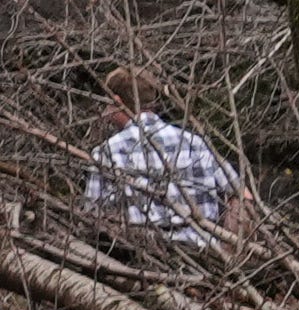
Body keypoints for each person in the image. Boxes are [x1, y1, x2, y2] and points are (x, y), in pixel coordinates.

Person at [83, 70, 246, 245]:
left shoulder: (106, 152)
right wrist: (229, 243)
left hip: (141, 256)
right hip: (207, 254)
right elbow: (242, 195)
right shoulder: (195, 143)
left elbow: (93, 218)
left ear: (116, 101)